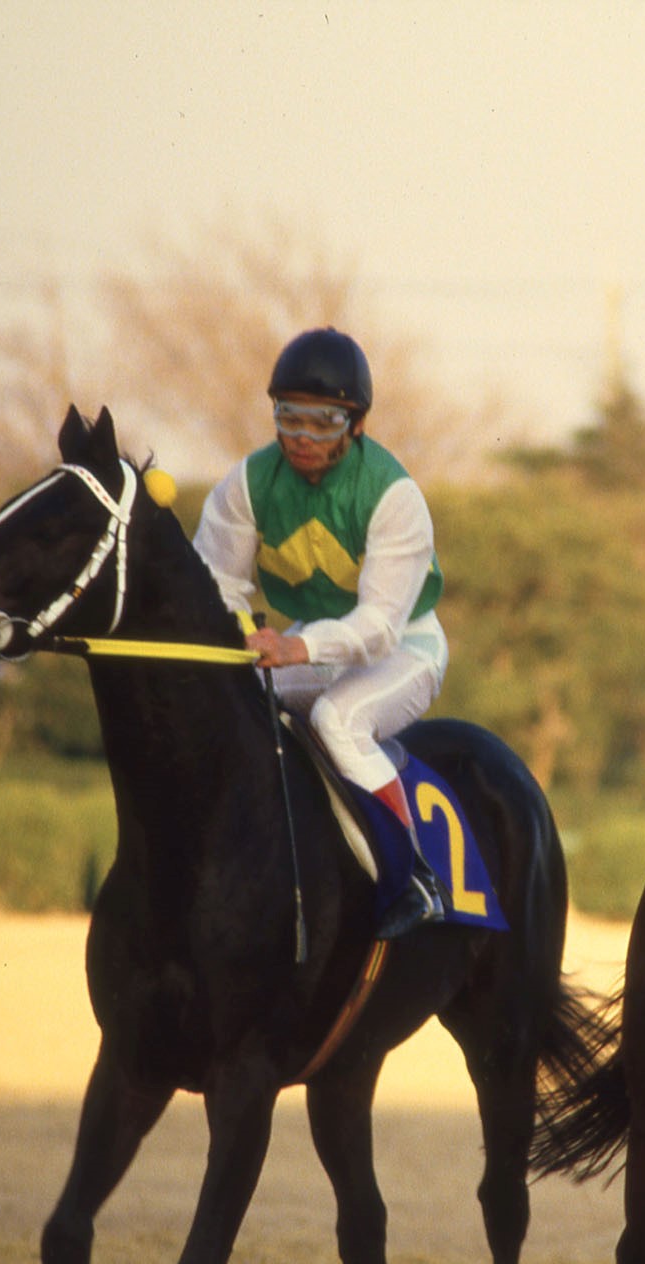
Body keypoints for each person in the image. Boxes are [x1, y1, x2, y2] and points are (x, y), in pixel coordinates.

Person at [193, 327, 452, 938]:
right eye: (289, 418)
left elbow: (379, 629)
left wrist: (294, 647)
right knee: (236, 709)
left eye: (324, 422)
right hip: (310, 643)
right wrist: (237, 638)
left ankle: (410, 876)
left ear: (355, 425)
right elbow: (218, 586)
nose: (303, 438)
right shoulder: (246, 485)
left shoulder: (392, 494)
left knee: (339, 720)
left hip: (405, 648)